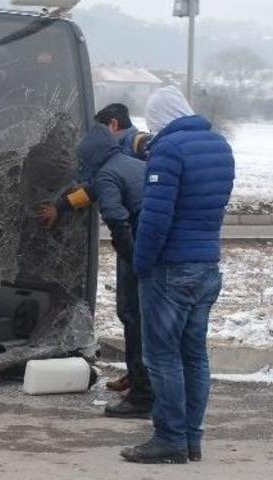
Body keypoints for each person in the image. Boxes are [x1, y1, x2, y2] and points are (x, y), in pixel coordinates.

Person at [122, 86, 234, 464]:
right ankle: (191, 438)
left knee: (161, 356)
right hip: (206, 265)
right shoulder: (220, 146)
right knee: (194, 355)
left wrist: (141, 264)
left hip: (171, 268)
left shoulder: (168, 150)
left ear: (158, 119)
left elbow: (155, 218)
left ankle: (169, 439)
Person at [39, 104, 153, 417]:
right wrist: (62, 206)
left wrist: (131, 255)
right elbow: (95, 188)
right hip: (147, 241)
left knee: (134, 313)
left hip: (138, 242)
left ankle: (143, 388)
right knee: (135, 314)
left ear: (112, 125)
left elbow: (108, 200)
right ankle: (139, 378)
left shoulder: (136, 143)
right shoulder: (117, 158)